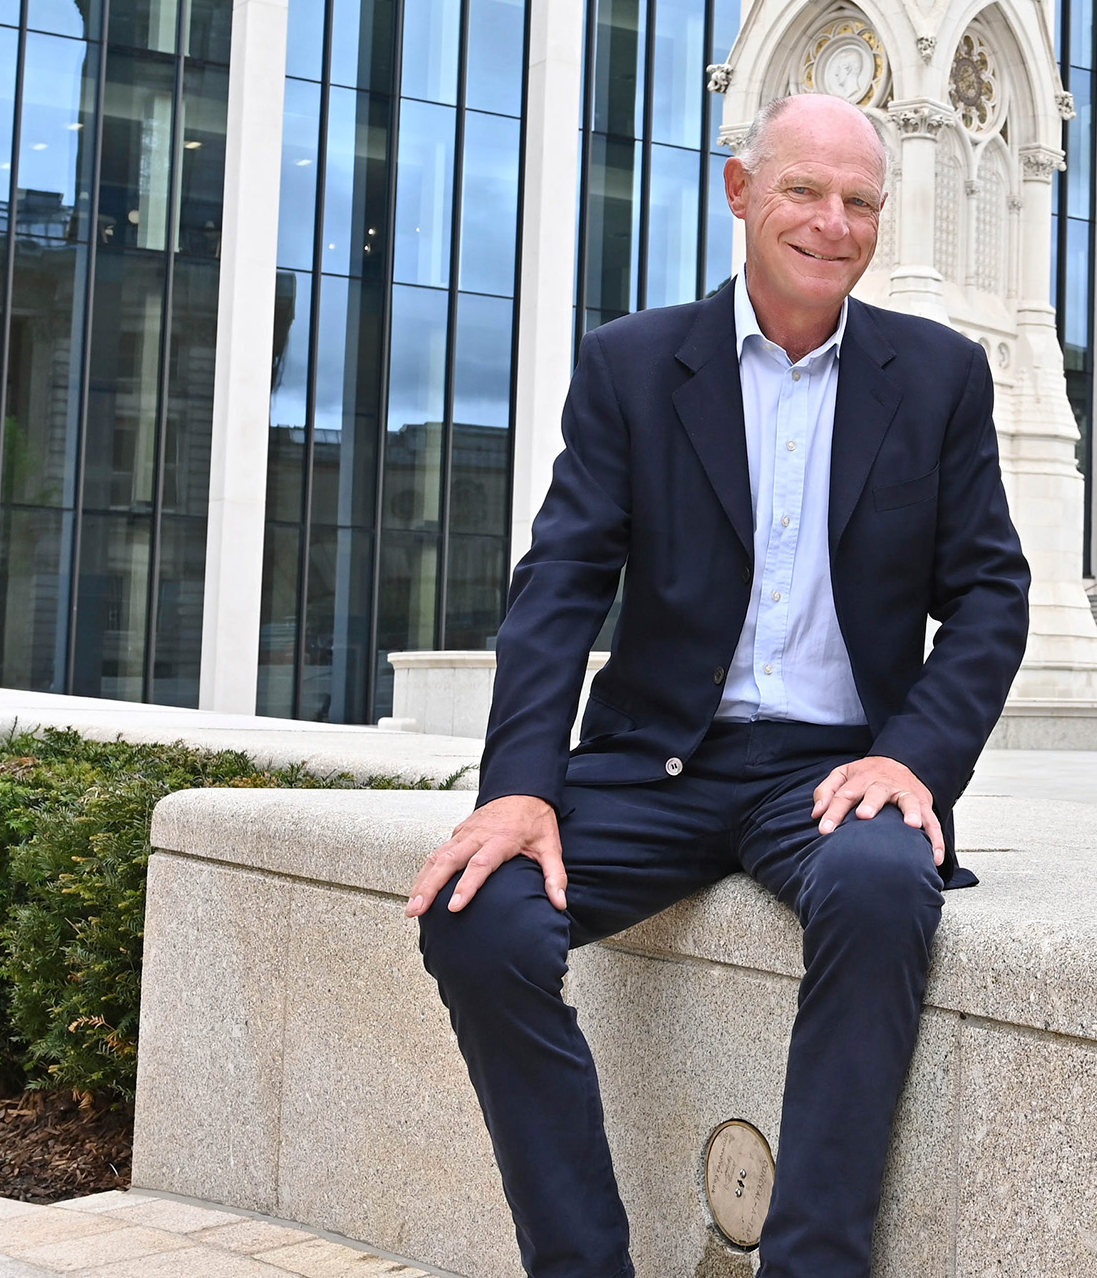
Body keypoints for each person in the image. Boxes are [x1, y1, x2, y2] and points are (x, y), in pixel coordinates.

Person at [406, 93, 1031, 1278]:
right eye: (804, 190)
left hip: (833, 770)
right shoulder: (634, 367)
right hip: (655, 765)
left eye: (859, 201)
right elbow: (560, 584)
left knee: (884, 887)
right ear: (742, 193)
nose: (832, 222)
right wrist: (519, 785)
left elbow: (993, 594)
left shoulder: (940, 378)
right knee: (475, 916)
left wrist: (913, 759)